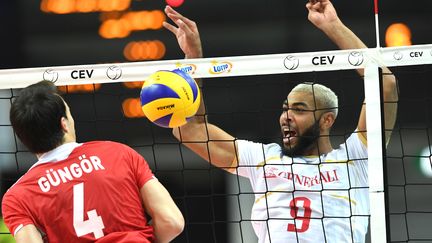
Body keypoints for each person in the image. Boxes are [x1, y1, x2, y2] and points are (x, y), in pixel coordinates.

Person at [163, 0, 398, 242]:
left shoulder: (355, 159)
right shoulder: (264, 159)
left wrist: (333, 26)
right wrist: (193, 62)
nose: (286, 116)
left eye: (299, 109)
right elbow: (190, 131)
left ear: (327, 119)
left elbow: (384, 84)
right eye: (285, 109)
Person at [1, 81, 184, 243]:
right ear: (64, 123)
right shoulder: (118, 153)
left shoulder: (17, 197)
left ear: (23, 138)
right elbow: (172, 222)